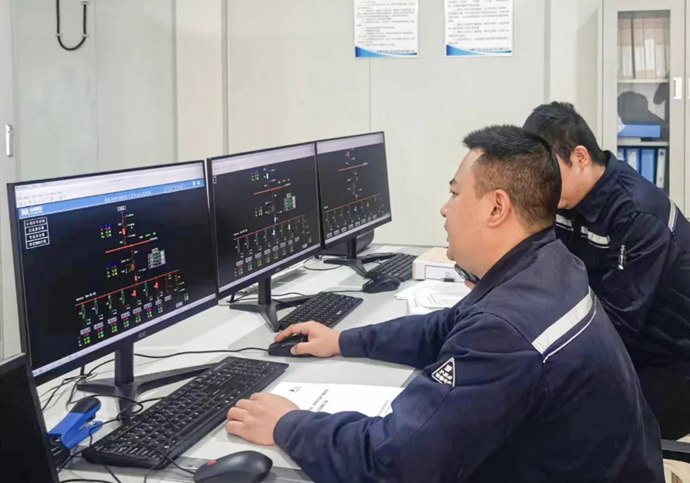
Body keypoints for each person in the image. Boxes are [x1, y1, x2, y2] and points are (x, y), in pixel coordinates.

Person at [225, 125, 663, 483]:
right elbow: (447, 327)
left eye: (455, 193)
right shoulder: (551, 263)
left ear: (496, 208)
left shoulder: (505, 329)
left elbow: (393, 463)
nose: (444, 209)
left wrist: (288, 424)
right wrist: (343, 340)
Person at [524, 102, 690, 439]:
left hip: (668, 364)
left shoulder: (637, 216)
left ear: (580, 158)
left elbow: (618, 324)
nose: (541, 186)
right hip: (618, 346)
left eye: (548, 173)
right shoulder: (566, 200)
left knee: (552, 420)